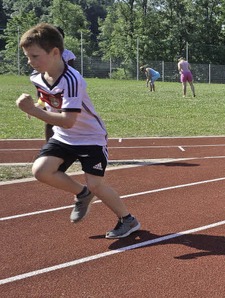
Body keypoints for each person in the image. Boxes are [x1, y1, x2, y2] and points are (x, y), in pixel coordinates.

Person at [15, 23, 140, 239]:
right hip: (65, 138)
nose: (30, 62)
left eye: (34, 56)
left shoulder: (72, 80)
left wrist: (34, 111)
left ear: (55, 53)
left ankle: (128, 220)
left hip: (90, 137)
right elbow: (49, 100)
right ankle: (83, 193)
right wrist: (38, 105)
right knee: (41, 171)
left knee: (97, 184)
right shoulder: (37, 77)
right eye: (28, 56)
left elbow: (68, 120)